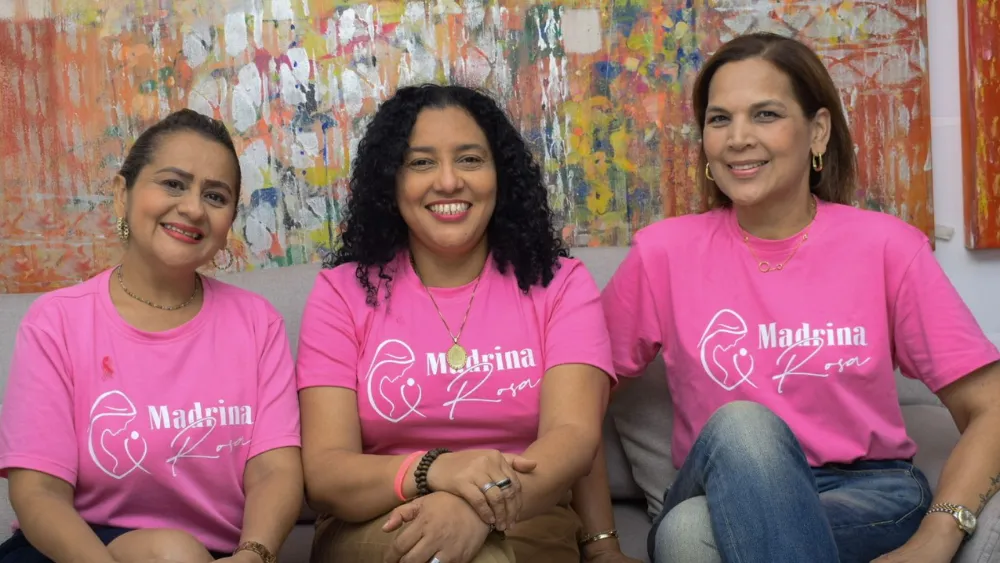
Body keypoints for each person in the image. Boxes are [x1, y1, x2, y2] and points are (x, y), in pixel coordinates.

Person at [600, 32, 1000, 563]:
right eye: (720, 120)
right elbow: (575, 397)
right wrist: (599, 542)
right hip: (713, 485)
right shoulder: (663, 254)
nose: (737, 138)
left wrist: (938, 535)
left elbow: (991, 406)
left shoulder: (885, 247)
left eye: (765, 115)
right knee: (742, 428)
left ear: (817, 132)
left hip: (868, 495)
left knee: (691, 537)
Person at [295, 84, 629, 563]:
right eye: (421, 162)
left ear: (500, 175)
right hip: (376, 522)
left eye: (470, 159)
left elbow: (573, 438)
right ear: (391, 180)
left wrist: (479, 505)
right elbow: (326, 473)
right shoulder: (341, 294)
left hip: (527, 518)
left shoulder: (559, 284)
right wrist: (437, 472)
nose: (449, 181)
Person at [0, 109, 303, 563]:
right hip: (73, 552)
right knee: (173, 552)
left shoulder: (258, 324)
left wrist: (253, 555)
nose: (193, 208)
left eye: (215, 196)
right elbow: (39, 492)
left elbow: (275, 471)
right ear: (122, 194)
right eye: (173, 184)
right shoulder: (57, 322)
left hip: (218, 556)